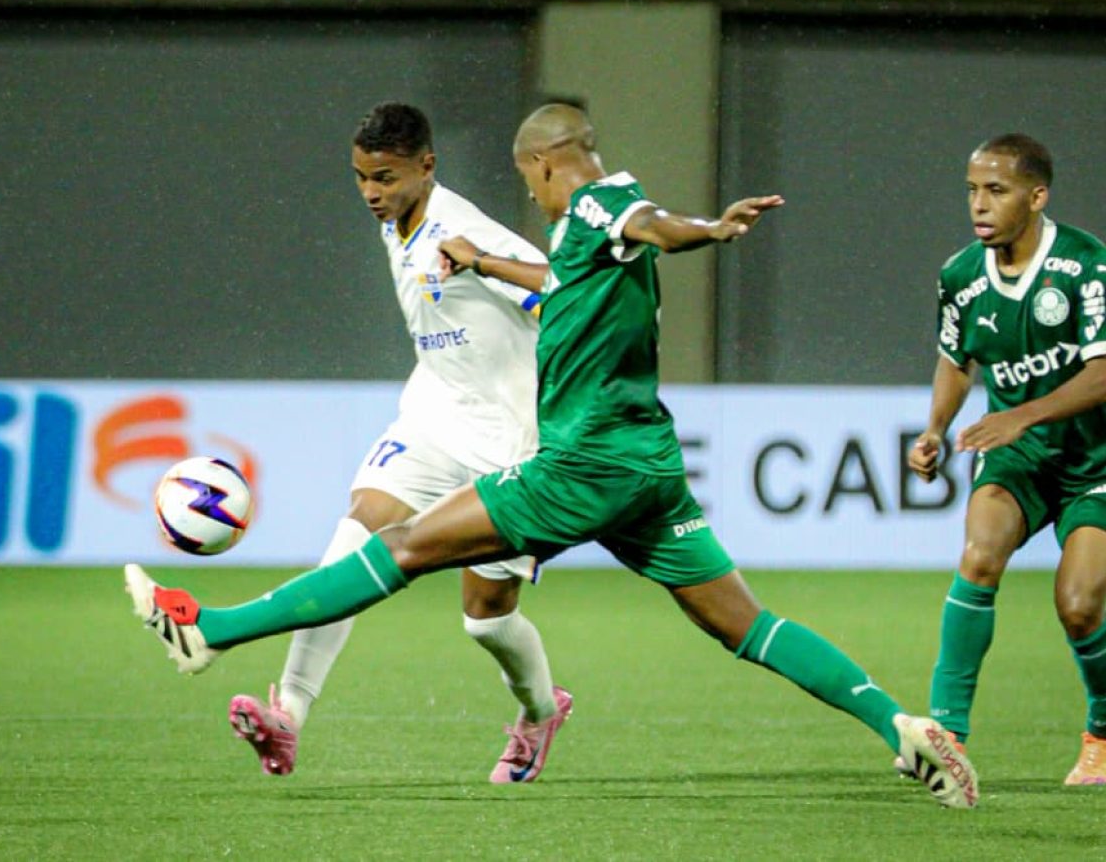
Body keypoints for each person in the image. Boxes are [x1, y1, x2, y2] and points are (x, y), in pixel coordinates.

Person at [126, 103, 979, 808]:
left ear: (539, 167)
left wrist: (710, 231)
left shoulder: (599, 208)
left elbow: (648, 226)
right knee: (745, 624)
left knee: (407, 554)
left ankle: (213, 632)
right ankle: (902, 729)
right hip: (648, 465)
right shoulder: (578, 234)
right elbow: (565, 274)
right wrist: (486, 260)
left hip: (572, 465)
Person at [226, 102, 570, 784]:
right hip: (435, 414)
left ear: (427, 166)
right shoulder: (395, 220)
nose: (371, 194)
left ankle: (539, 711)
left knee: (487, 620)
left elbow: (569, 294)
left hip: (510, 439)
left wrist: (488, 268)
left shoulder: (466, 230)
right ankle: (288, 714)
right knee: (352, 543)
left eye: (384, 177)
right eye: (360, 178)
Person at [905, 133, 1106, 786]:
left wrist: (1018, 413)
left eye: (996, 190)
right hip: (1022, 458)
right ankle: (946, 736)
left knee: (1078, 604)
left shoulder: (1085, 266)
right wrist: (936, 427)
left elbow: (1103, 374)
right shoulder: (961, 274)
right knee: (978, 554)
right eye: (971, 190)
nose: (979, 205)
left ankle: (1102, 731)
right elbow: (955, 359)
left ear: (1037, 196)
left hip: (1096, 463)